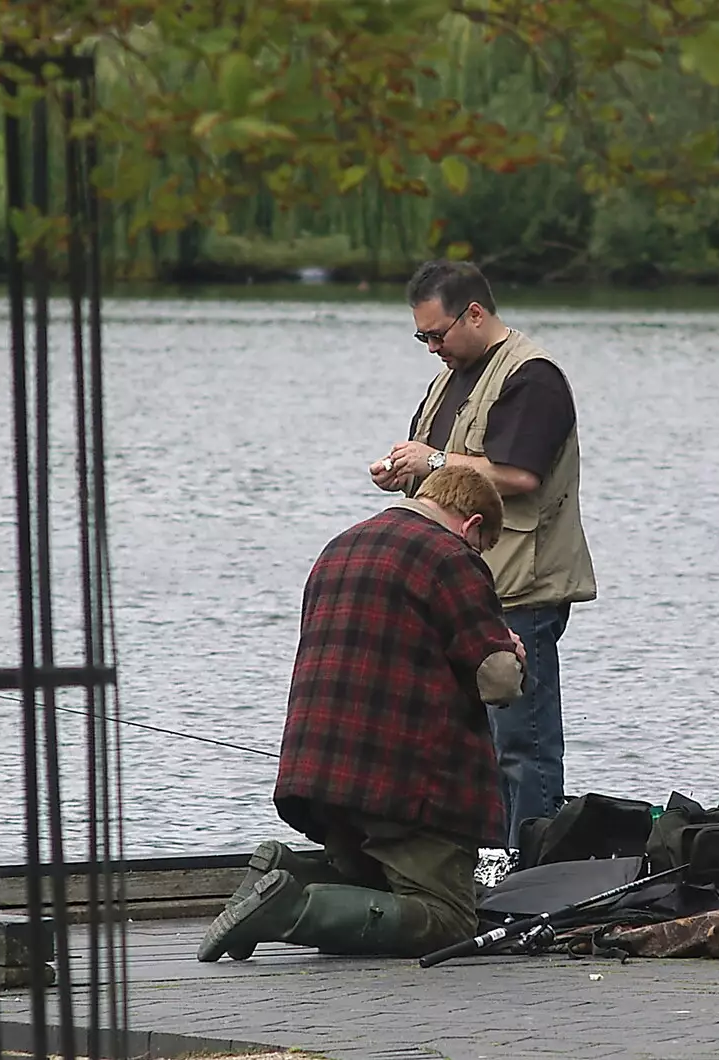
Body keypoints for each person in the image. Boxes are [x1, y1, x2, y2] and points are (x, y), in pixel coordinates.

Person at [197, 466, 526, 961]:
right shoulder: (451, 556)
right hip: (404, 783)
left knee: (372, 880)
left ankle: (282, 873)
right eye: (484, 545)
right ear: (471, 524)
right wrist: (512, 650)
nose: (480, 555)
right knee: (448, 918)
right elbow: (498, 680)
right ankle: (285, 912)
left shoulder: (341, 545)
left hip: (321, 774)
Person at [369, 259, 595, 850]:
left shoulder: (533, 377)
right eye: (421, 337)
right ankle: (485, 867)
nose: (430, 348)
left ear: (474, 313)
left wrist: (434, 462)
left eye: (436, 334)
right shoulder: (452, 374)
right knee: (470, 744)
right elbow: (445, 473)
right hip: (458, 588)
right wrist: (404, 475)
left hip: (520, 590)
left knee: (525, 746)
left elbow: (518, 474)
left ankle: (539, 874)